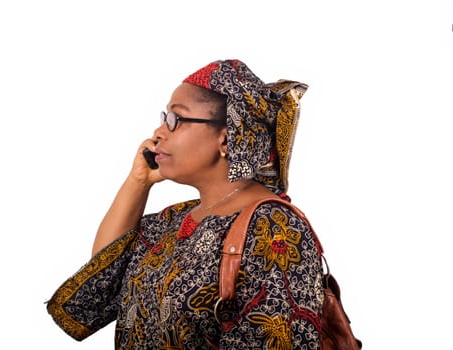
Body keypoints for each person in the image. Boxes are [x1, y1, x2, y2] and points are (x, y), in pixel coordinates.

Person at [46, 59, 325, 349]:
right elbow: (102, 278)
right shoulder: (172, 221)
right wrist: (137, 182)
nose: (158, 133)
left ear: (228, 137)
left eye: (175, 120)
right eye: (164, 117)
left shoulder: (273, 228)